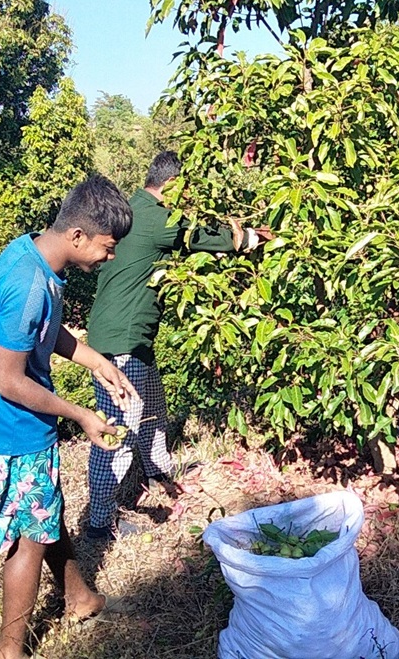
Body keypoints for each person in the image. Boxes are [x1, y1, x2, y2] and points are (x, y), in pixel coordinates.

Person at [0, 173, 139, 658]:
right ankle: (9, 650)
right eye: (107, 247)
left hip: (14, 428)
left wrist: (95, 360)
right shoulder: (29, 285)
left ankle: (79, 598)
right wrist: (80, 414)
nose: (110, 256)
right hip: (7, 433)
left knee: (45, 513)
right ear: (78, 237)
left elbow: (45, 330)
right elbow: (8, 380)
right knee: (27, 541)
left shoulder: (32, 255)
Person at [83, 151, 273, 540]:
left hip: (130, 336)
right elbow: (200, 237)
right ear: (173, 185)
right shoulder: (156, 217)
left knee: (152, 407)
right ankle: (100, 522)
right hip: (122, 341)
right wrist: (250, 237)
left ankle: (158, 468)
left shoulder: (136, 208)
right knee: (120, 432)